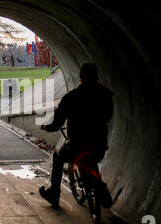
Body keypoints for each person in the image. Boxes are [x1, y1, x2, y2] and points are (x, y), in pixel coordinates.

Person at [39, 63, 114, 207]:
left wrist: (48, 128)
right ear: (97, 77)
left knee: (57, 157)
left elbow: (57, 122)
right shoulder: (106, 95)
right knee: (92, 159)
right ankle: (100, 188)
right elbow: (108, 117)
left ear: (80, 78)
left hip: (77, 146)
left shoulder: (71, 97)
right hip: (99, 145)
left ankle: (54, 194)